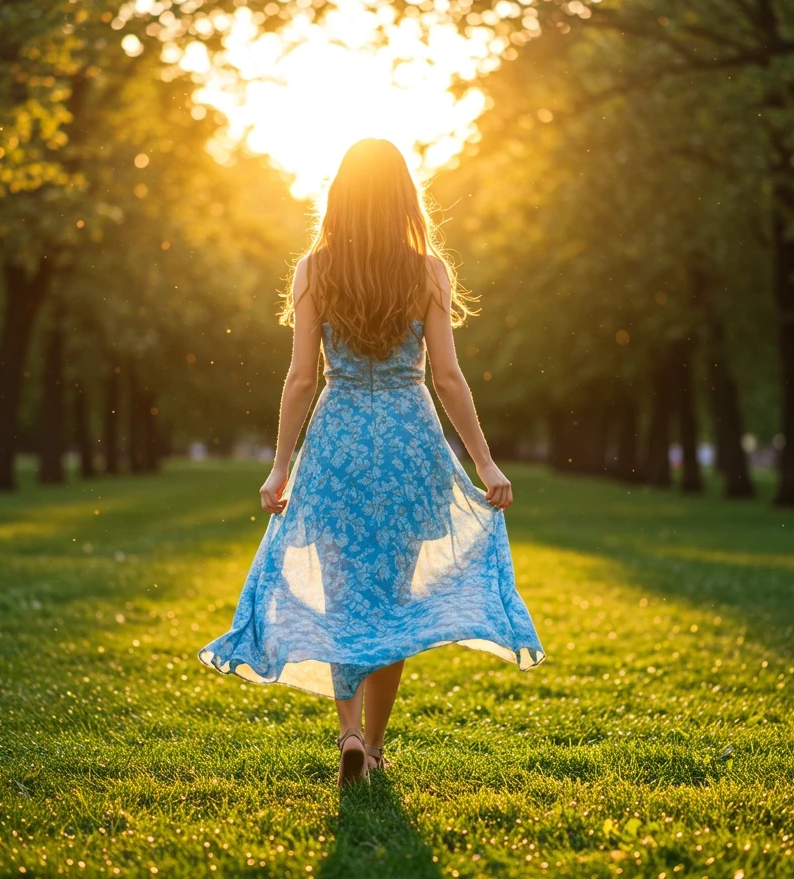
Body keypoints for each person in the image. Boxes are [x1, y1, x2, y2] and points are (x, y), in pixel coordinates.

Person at [199, 138, 544, 788]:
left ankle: (349, 732)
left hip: (339, 445)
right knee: (393, 602)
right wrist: (486, 465)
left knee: (343, 598)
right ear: (403, 197)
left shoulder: (314, 269)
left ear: (340, 196)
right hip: (410, 445)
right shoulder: (428, 271)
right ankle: (377, 747)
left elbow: (302, 378)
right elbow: (447, 377)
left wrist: (280, 466)